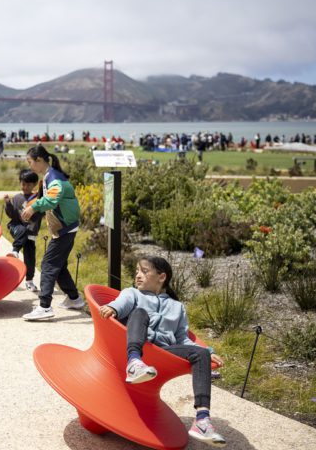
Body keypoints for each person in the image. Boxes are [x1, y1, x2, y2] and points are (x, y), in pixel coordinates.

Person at [99, 256, 226, 446]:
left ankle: (202, 420)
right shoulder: (132, 293)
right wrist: (112, 308)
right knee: (139, 312)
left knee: (200, 354)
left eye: (144, 271)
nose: (138, 276)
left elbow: (183, 338)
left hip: (165, 351)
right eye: (136, 272)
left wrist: (205, 351)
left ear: (162, 277)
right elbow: (121, 304)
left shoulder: (177, 307)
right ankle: (133, 363)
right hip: (138, 345)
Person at [20, 144, 85, 320]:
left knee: (48, 265)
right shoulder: (51, 176)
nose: (30, 166)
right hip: (66, 228)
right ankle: (75, 299)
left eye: (30, 162)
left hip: (65, 229)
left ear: (40, 160)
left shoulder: (54, 178)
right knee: (59, 265)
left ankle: (44, 306)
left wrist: (34, 207)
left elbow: (52, 199)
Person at [4, 169, 43, 292]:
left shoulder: (38, 199)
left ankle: (29, 281)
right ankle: (15, 250)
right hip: (16, 227)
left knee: (30, 258)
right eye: (23, 184)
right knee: (22, 229)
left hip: (30, 231)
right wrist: (8, 204)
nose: (25, 187)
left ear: (34, 185)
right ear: (20, 183)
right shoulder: (17, 198)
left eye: (29, 184)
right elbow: (12, 215)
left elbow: (39, 215)